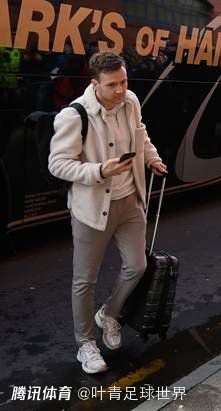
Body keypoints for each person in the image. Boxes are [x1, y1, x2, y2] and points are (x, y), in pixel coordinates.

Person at [48, 52, 167, 374]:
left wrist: (151, 158)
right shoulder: (74, 115)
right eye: (112, 84)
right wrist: (101, 170)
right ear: (94, 83)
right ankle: (85, 343)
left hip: (130, 201)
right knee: (84, 280)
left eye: (124, 81)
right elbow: (57, 164)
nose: (120, 90)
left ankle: (109, 314)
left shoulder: (130, 101)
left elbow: (140, 134)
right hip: (92, 209)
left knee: (137, 265)